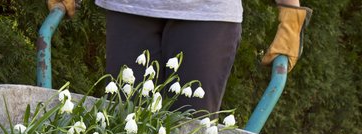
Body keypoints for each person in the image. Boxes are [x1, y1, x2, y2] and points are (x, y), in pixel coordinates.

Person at [47, 0, 312, 113]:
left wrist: (290, 12)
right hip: (131, 9)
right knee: (123, 124)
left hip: (208, 14)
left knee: (190, 132)